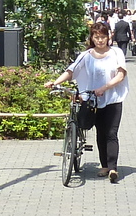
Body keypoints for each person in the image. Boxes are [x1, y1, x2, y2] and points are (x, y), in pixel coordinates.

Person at [50, 20, 129, 181]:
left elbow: (121, 75)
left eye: (103, 37)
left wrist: (104, 88)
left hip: (113, 99)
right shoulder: (86, 55)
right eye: (96, 37)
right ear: (92, 38)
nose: (100, 40)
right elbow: (71, 71)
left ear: (108, 37)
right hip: (93, 101)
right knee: (101, 133)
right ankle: (105, 166)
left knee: (111, 133)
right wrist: (55, 82)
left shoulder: (116, 53)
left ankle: (113, 168)